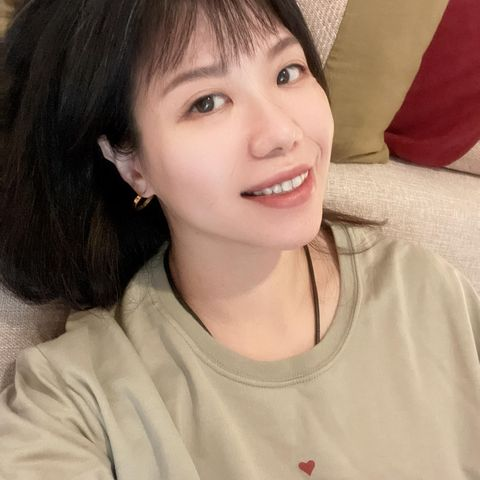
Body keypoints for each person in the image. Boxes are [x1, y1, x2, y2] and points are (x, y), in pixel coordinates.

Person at [0, 0, 479, 478]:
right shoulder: (75, 401)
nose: (282, 133)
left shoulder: (431, 295)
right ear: (131, 162)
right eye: (206, 102)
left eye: (288, 72)